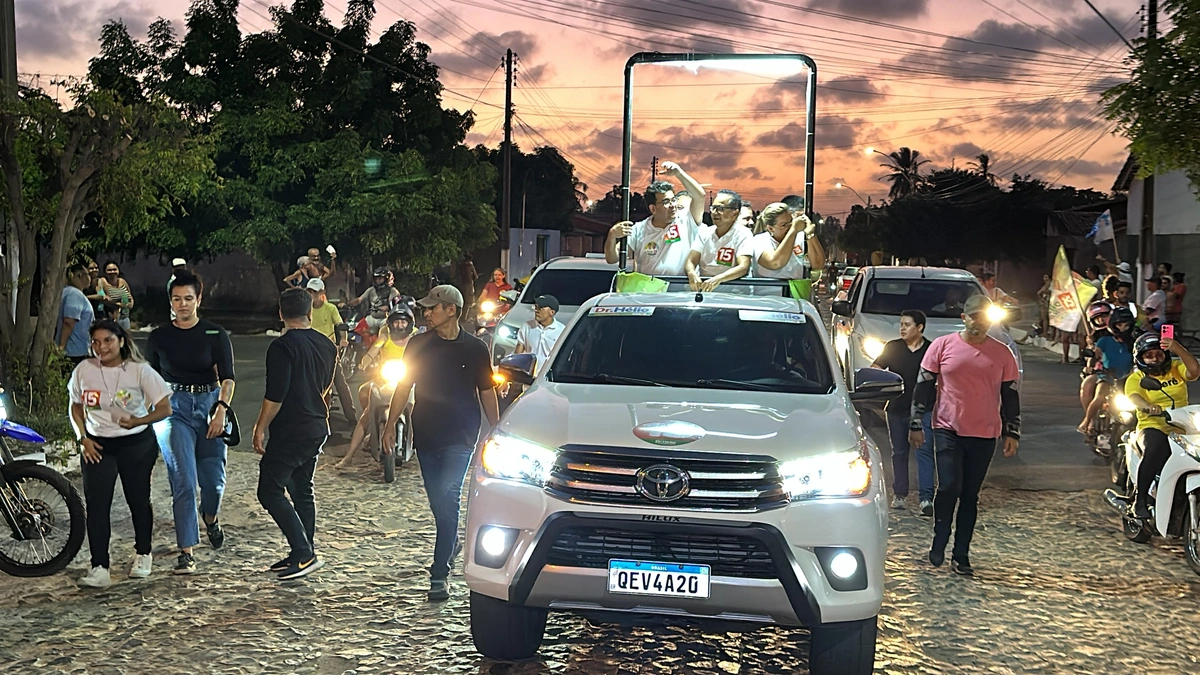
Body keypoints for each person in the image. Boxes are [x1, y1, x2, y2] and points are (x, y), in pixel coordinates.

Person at [381, 285, 500, 601]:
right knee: (439, 503)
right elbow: (404, 386)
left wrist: (497, 430)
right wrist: (390, 425)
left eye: (433, 307)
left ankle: (439, 574)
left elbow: (487, 391)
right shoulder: (418, 344)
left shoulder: (475, 348)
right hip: (427, 433)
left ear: (451, 310)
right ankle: (450, 542)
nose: (426, 312)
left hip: (461, 434)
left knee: (449, 496)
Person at [910, 294, 1021, 576]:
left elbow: (1010, 395)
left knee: (970, 495)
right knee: (948, 487)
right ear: (964, 318)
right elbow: (923, 386)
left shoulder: (1002, 353)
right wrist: (915, 423)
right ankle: (939, 539)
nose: (979, 323)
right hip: (948, 428)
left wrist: (1012, 431)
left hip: (984, 433)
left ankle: (961, 554)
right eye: (974, 317)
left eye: (984, 318)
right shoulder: (942, 346)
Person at [69, 320, 173, 588]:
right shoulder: (83, 370)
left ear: (121, 341)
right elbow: (76, 407)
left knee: (137, 499)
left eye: (107, 341)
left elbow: (164, 408)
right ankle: (100, 566)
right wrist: (83, 438)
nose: (101, 347)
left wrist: (139, 421)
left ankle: (143, 553)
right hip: (97, 445)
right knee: (97, 504)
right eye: (95, 342)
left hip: (135, 444)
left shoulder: (140, 371)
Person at [146, 271, 236, 575]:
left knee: (213, 482)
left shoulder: (215, 334)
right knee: (182, 478)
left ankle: (210, 517)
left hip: (211, 406)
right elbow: (150, 377)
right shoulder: (159, 336)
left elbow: (228, 377)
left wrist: (221, 409)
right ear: (170, 301)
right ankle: (186, 550)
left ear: (199, 299)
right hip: (174, 409)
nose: (182, 304)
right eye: (176, 299)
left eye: (188, 298)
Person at [252, 288, 337, 580]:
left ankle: (303, 552)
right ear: (310, 312)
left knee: (269, 490)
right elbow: (324, 387)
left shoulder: (281, 347)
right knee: (302, 489)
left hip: (292, 428)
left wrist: (260, 426)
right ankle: (304, 550)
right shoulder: (327, 345)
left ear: (281, 314)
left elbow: (276, 394)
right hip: (317, 424)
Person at [1125, 332, 1200, 519]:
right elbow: (1134, 396)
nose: (1154, 359)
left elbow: (1194, 371)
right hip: (1153, 426)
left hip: (1184, 427)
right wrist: (1148, 407)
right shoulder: (1137, 378)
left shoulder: (1176, 368)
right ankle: (1139, 500)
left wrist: (1176, 348)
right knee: (1156, 446)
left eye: (1158, 354)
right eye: (1148, 355)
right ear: (1140, 358)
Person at [870, 309, 935, 516]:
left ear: (920, 328)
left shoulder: (931, 349)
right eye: (901, 325)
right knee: (899, 452)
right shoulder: (893, 347)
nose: (903, 328)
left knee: (924, 452)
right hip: (897, 408)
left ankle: (926, 498)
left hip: (925, 409)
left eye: (907, 325)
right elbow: (876, 369)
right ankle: (900, 494)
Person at [336, 308, 416, 469]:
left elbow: (425, 352)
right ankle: (349, 456)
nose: (400, 325)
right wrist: (365, 361)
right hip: (386, 378)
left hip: (410, 380)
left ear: (409, 323)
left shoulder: (415, 337)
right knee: (366, 411)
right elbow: (375, 348)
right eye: (396, 321)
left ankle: (421, 447)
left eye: (403, 321)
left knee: (423, 409)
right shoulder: (385, 336)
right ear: (391, 323)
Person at [605, 161, 706, 276]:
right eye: (666, 202)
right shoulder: (639, 229)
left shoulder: (686, 221)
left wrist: (679, 173)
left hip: (681, 289)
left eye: (673, 200)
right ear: (653, 209)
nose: (673, 205)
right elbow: (612, 259)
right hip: (649, 291)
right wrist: (612, 235)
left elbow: (700, 196)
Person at [1079, 306, 1137, 435]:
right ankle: (1087, 421)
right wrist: (1090, 364)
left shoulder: (1134, 343)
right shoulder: (1104, 341)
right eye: (1119, 325)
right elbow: (1095, 355)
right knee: (1100, 396)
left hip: (1128, 377)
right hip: (1107, 375)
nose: (1123, 328)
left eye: (1126, 325)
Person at [307, 279, 356, 425]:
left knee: (339, 382)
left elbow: (340, 325)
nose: (312, 295)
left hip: (328, 349)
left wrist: (343, 339)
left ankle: (351, 416)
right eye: (310, 292)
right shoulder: (306, 308)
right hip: (310, 348)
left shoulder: (330, 309)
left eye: (315, 292)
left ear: (322, 293)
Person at [685, 189, 754, 292]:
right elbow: (690, 261)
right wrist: (691, 273)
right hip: (705, 291)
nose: (714, 213)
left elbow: (743, 267)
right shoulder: (705, 232)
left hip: (734, 294)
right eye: (713, 208)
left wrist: (718, 279)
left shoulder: (743, 234)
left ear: (735, 213)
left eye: (720, 209)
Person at [751, 202, 824, 292]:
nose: (789, 227)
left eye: (791, 222)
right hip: (768, 298)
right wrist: (793, 230)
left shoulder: (800, 237)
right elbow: (775, 263)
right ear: (770, 228)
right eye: (784, 225)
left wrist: (810, 235)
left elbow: (818, 265)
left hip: (796, 297)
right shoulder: (760, 240)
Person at [515, 294, 566, 372]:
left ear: (552, 312)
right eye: (536, 307)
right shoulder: (526, 327)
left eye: (541, 308)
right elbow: (518, 354)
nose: (536, 310)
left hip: (548, 379)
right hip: (528, 378)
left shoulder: (562, 331)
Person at [58, 262, 96, 365]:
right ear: (80, 275)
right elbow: (69, 322)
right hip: (75, 352)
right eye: (88, 274)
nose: (90, 278)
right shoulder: (74, 294)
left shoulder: (66, 292)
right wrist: (61, 347)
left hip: (74, 350)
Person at [347, 267, 401, 334]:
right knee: (360, 330)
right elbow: (359, 300)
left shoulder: (393, 291)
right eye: (376, 279)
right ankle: (360, 344)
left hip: (385, 319)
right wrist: (347, 304)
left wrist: (387, 307)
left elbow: (394, 303)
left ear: (386, 279)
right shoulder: (371, 290)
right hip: (372, 317)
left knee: (385, 332)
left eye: (380, 279)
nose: (378, 281)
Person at [97, 262, 135, 330]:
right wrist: (118, 304)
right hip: (110, 318)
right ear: (105, 272)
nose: (112, 272)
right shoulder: (102, 281)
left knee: (127, 339)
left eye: (114, 269)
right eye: (109, 270)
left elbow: (130, 296)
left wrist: (131, 303)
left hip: (124, 317)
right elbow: (102, 297)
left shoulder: (123, 281)